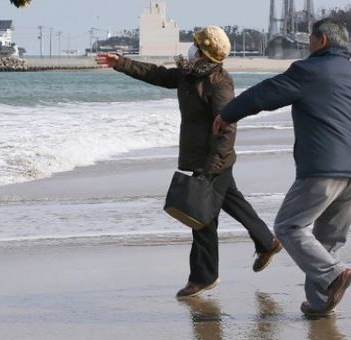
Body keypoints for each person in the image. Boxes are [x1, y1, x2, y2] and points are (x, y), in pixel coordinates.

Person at [212, 18, 351, 317]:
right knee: (327, 240)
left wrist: (228, 113)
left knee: (289, 226)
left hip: (322, 167)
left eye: (310, 39)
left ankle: (334, 275)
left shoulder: (308, 71)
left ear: (320, 41)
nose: (308, 44)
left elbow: (265, 94)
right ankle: (320, 302)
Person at [96, 26, 282, 299]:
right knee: (232, 201)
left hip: (213, 159)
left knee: (201, 217)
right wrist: (120, 63)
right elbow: (156, 74)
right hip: (201, 158)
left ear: (205, 54)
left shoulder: (219, 83)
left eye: (195, 45)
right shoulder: (189, 74)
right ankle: (267, 242)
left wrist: (209, 169)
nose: (190, 48)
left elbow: (227, 128)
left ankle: (204, 277)